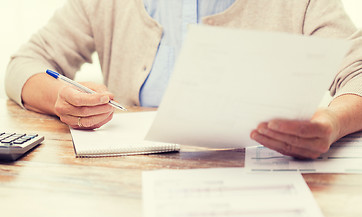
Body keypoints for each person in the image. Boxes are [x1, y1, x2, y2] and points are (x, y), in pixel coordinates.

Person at [5, 0, 362, 159]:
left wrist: (332, 121)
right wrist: (60, 97)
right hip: (128, 189)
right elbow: (25, 64)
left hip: (265, 183)